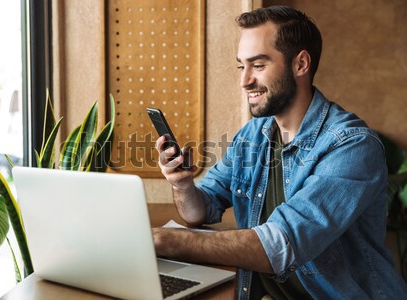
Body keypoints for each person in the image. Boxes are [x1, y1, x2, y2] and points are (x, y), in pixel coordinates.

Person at [152, 5, 407, 300]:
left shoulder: (352, 146)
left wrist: (166, 240)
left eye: (258, 66)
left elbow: (281, 244)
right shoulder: (252, 135)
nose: (244, 80)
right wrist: (182, 184)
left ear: (300, 64)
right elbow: (200, 210)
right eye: (241, 66)